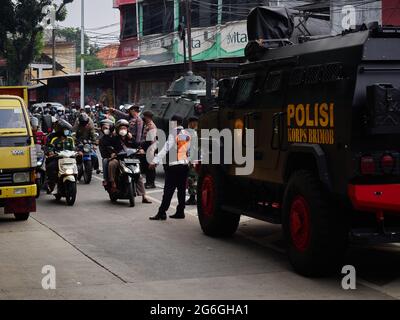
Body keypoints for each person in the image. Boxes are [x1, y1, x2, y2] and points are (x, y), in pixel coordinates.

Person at [149, 115, 191, 220]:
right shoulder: (187, 133)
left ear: (174, 123)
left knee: (168, 190)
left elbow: (165, 148)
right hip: (184, 165)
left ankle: (162, 212)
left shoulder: (174, 133)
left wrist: (154, 161)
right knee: (181, 190)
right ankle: (180, 211)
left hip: (174, 166)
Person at [108, 119, 151, 204]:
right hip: (119, 159)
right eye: (121, 128)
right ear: (117, 129)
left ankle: (144, 196)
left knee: (138, 175)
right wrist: (112, 153)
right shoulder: (114, 138)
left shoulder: (130, 138)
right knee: (112, 164)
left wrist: (140, 149)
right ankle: (112, 183)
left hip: (131, 159)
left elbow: (137, 146)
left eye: (125, 128)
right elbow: (110, 147)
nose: (123, 130)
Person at [46, 120, 75, 193]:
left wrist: (79, 151)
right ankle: (52, 185)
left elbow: (74, 148)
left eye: (67, 130)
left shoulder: (70, 139)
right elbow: (49, 147)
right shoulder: (53, 138)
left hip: (69, 159)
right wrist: (50, 152)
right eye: (65, 130)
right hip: (57, 159)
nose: (67, 132)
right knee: (51, 167)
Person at [141, 110, 157, 189]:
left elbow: (153, 139)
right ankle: (148, 182)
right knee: (147, 166)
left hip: (150, 146)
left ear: (147, 117)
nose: (143, 118)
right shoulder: (147, 124)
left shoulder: (151, 126)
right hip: (146, 145)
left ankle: (151, 183)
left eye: (144, 116)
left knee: (151, 166)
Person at [186, 116, 199, 205]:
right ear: (191, 123)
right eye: (195, 123)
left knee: (192, 178)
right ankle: (192, 197)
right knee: (192, 178)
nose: (196, 125)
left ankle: (192, 197)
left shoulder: (194, 132)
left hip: (194, 158)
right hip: (192, 158)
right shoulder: (190, 132)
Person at [98, 119, 115, 186]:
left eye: (107, 127)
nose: (106, 129)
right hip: (108, 157)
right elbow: (103, 153)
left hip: (118, 156)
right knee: (105, 161)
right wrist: (110, 156)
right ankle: (105, 179)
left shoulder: (116, 136)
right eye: (104, 128)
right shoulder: (102, 140)